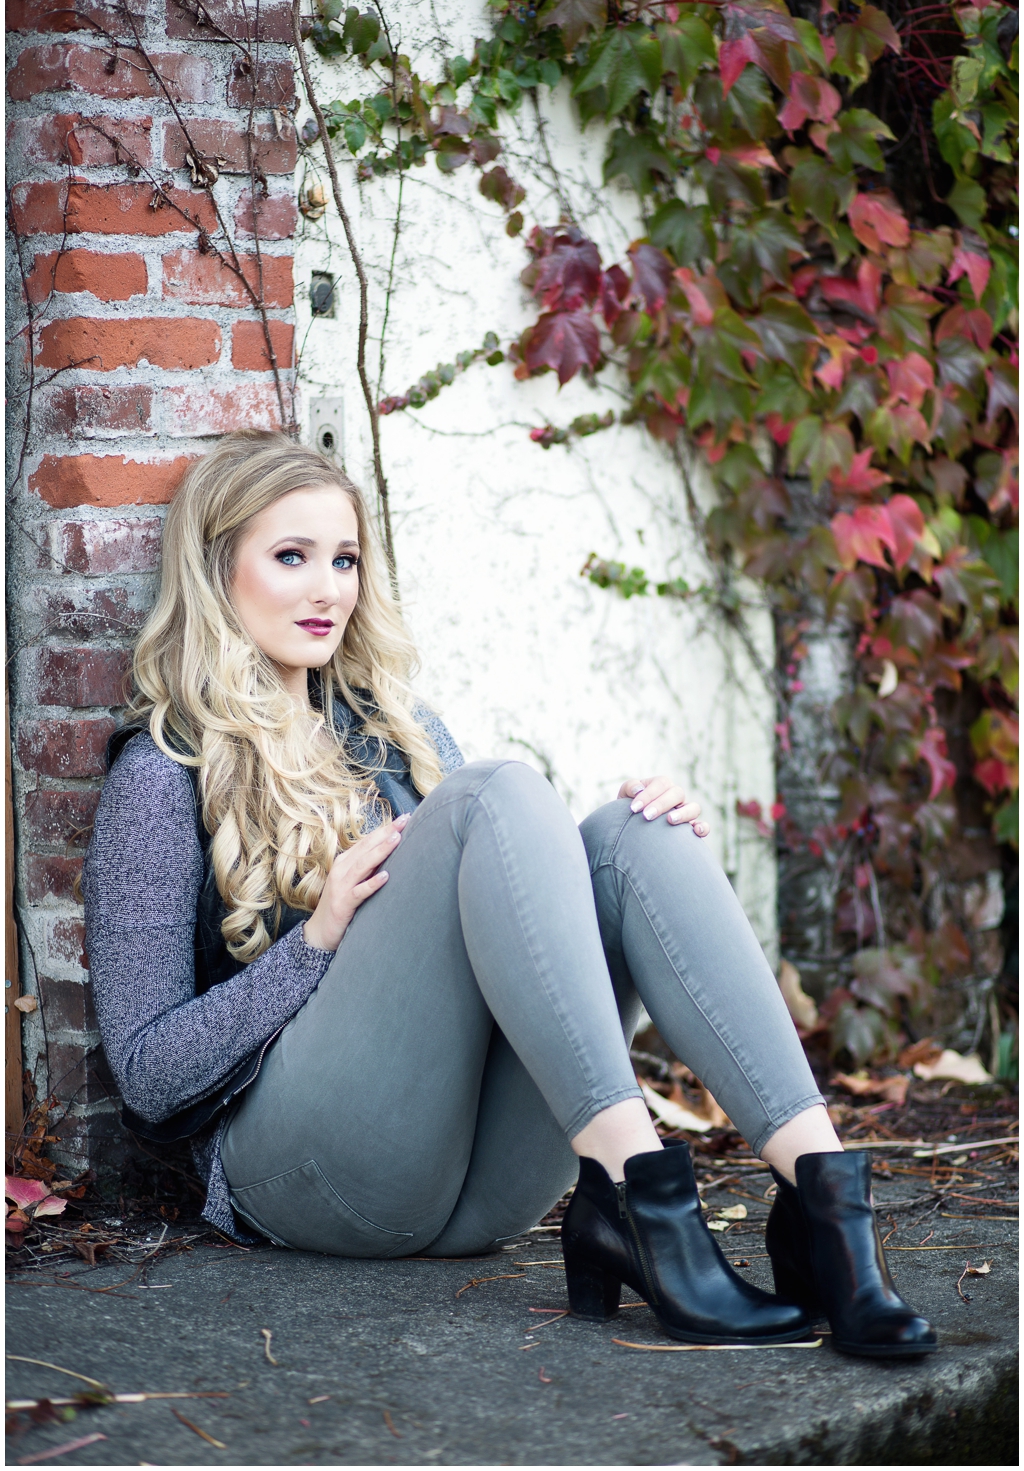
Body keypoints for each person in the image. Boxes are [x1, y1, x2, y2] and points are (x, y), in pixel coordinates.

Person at [84, 430, 936, 1357]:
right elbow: (148, 1073)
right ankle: (646, 1195)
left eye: (344, 558)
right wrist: (316, 941)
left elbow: (522, 926)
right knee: (498, 791)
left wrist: (647, 848)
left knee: (632, 832)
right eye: (291, 557)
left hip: (480, 1194)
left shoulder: (399, 731)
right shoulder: (163, 768)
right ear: (217, 571)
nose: (328, 587)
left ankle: (828, 1213)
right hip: (311, 1178)